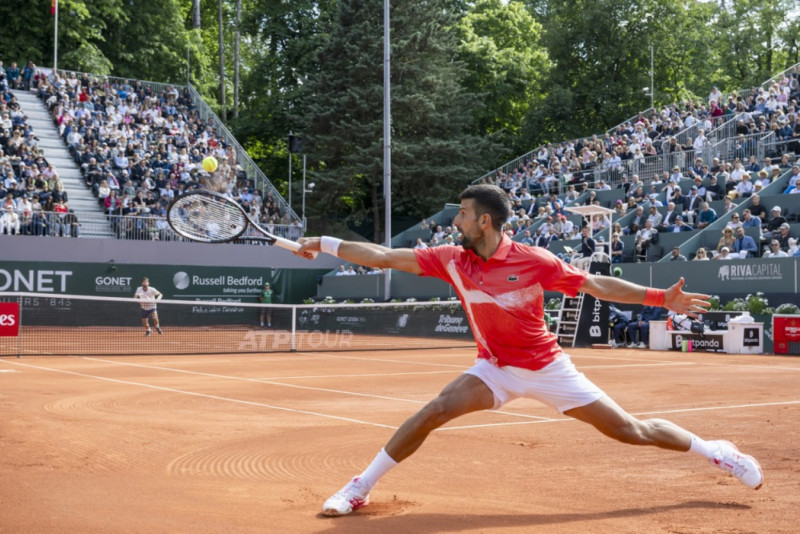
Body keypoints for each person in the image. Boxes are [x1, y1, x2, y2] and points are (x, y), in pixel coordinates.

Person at [294, 184, 763, 517]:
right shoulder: (450, 259)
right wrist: (323, 243)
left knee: (630, 430)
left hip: (547, 367)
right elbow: (380, 256)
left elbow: (596, 284)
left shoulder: (535, 261)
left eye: (462, 214)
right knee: (433, 411)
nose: (455, 222)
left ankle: (716, 451)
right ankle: (360, 487)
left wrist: (660, 298)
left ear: (484, 221)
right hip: (494, 369)